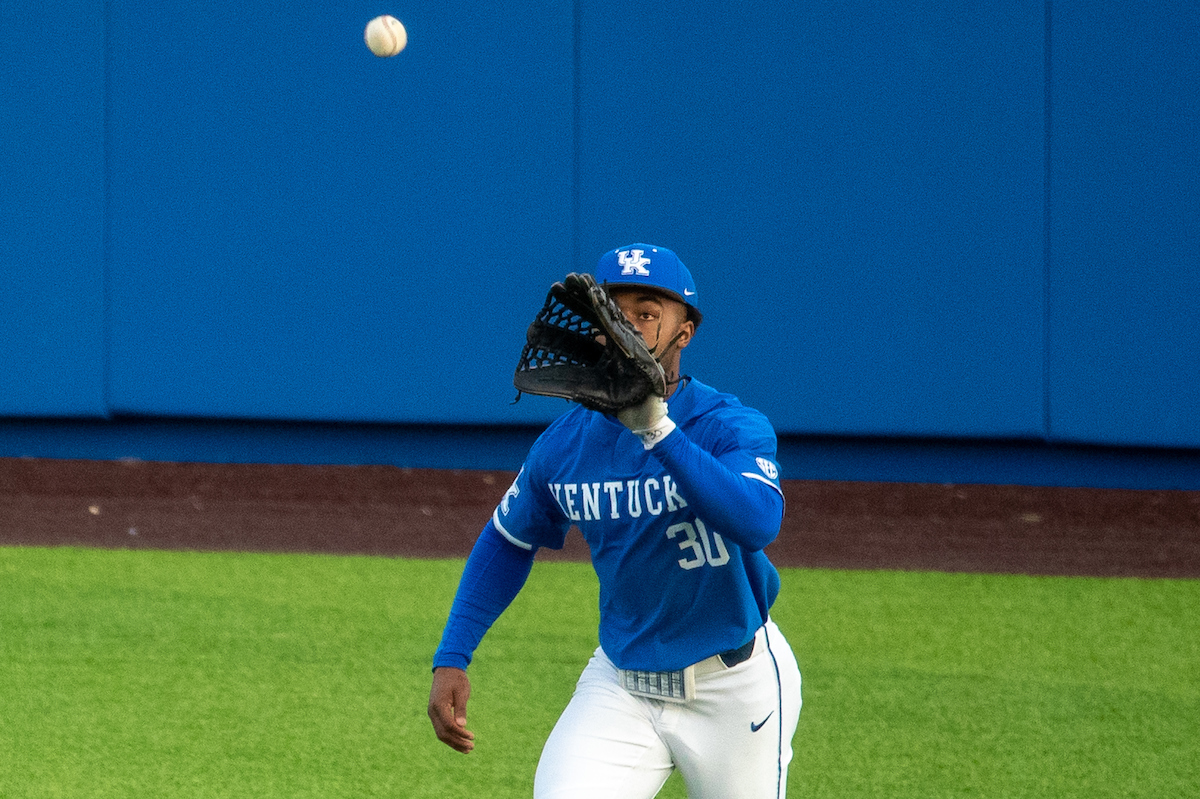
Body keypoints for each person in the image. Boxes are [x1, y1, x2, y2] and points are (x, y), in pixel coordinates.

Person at [428, 244, 802, 798]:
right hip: (622, 686)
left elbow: (756, 522)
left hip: (734, 686)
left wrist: (658, 429)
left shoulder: (729, 425)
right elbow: (507, 541)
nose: (629, 329)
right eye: (614, 314)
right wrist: (452, 656)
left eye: (647, 314)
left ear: (685, 333)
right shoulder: (564, 445)